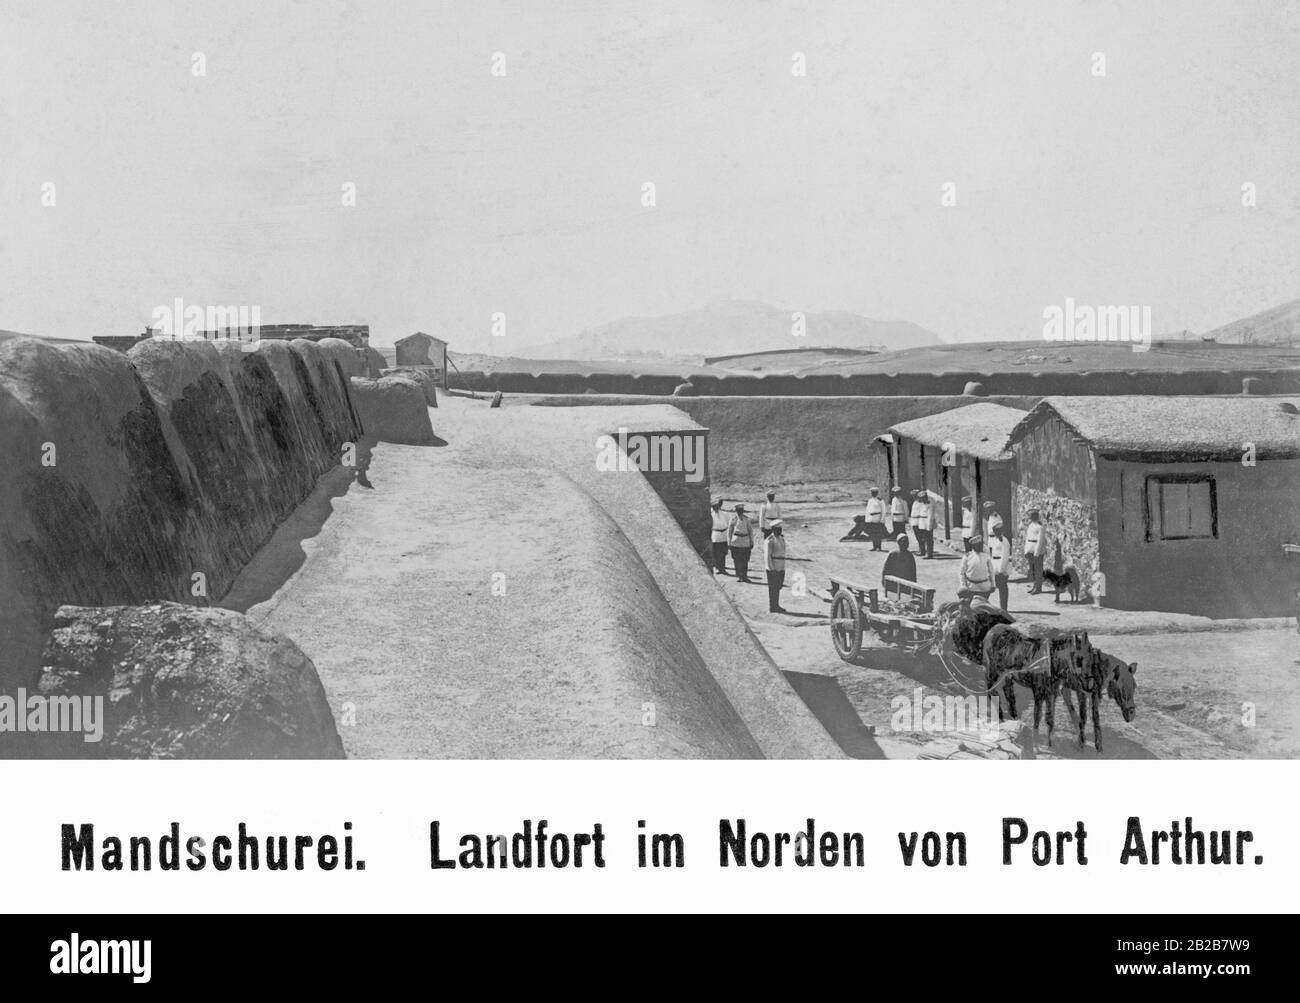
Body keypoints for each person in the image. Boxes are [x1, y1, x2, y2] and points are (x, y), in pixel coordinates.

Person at [959, 534, 996, 601]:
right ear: (973, 546)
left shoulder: (986, 557)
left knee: (983, 607)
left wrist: (993, 585)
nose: (980, 547)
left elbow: (991, 572)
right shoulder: (967, 557)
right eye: (977, 545)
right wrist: (963, 585)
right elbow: (962, 572)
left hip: (984, 588)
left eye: (981, 545)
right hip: (971, 587)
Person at [764, 521, 787, 612]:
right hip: (773, 567)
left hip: (781, 566)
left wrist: (783, 568)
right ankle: (773, 606)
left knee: (778, 587)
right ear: (773, 529)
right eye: (778, 529)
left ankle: (776, 605)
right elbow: (767, 556)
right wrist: (771, 569)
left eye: (780, 529)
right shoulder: (769, 540)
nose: (780, 531)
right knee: (773, 588)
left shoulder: (782, 538)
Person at [728, 504, 755, 583]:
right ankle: (739, 576)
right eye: (739, 510)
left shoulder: (747, 519)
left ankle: (744, 576)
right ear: (736, 511)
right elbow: (729, 532)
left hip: (745, 542)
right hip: (736, 542)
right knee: (737, 560)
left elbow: (750, 531)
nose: (740, 512)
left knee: (745, 560)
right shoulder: (733, 519)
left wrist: (751, 542)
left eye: (741, 510)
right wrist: (729, 542)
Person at [988, 523, 1012, 611]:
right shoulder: (994, 540)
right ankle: (1001, 606)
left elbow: (1005, 556)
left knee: (1002, 587)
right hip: (995, 565)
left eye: (998, 532)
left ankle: (1004, 607)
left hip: (1001, 566)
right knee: (997, 585)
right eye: (995, 532)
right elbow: (992, 554)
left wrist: (1001, 569)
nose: (996, 534)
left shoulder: (1004, 541)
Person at [1023, 509, 1044, 593]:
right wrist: (1026, 550)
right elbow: (1028, 539)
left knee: (1038, 569)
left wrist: (1037, 553)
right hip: (1030, 548)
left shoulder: (1040, 527)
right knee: (1033, 569)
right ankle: (1034, 586)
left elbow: (1040, 541)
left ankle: (1038, 587)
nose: (1029, 517)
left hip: (1036, 550)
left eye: (1031, 516)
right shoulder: (1030, 525)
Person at [710, 498, 730, 575]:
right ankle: (718, 568)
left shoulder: (724, 514)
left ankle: (723, 568)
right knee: (716, 553)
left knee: (723, 553)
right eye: (714, 506)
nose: (716, 508)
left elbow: (728, 524)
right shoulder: (711, 515)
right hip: (715, 535)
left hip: (723, 535)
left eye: (717, 506)